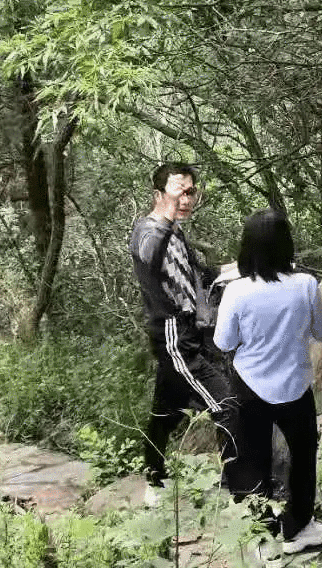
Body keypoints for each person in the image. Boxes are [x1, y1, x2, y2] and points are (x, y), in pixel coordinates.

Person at [213, 208, 322, 554]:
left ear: (247, 247)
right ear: (287, 245)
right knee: (303, 456)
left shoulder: (237, 292)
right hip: (295, 385)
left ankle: (262, 540)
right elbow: (321, 331)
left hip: (250, 386)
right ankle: (298, 527)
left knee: (253, 459)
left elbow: (223, 343)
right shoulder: (305, 285)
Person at [128, 161, 236, 507]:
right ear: (158, 195)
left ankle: (154, 482)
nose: (188, 199)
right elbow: (148, 256)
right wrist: (167, 217)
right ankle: (239, 484)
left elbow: (203, 274)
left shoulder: (176, 235)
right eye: (180, 192)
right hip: (174, 335)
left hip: (185, 333)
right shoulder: (148, 231)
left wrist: (256, 265)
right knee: (228, 404)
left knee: (165, 413)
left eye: (192, 192)